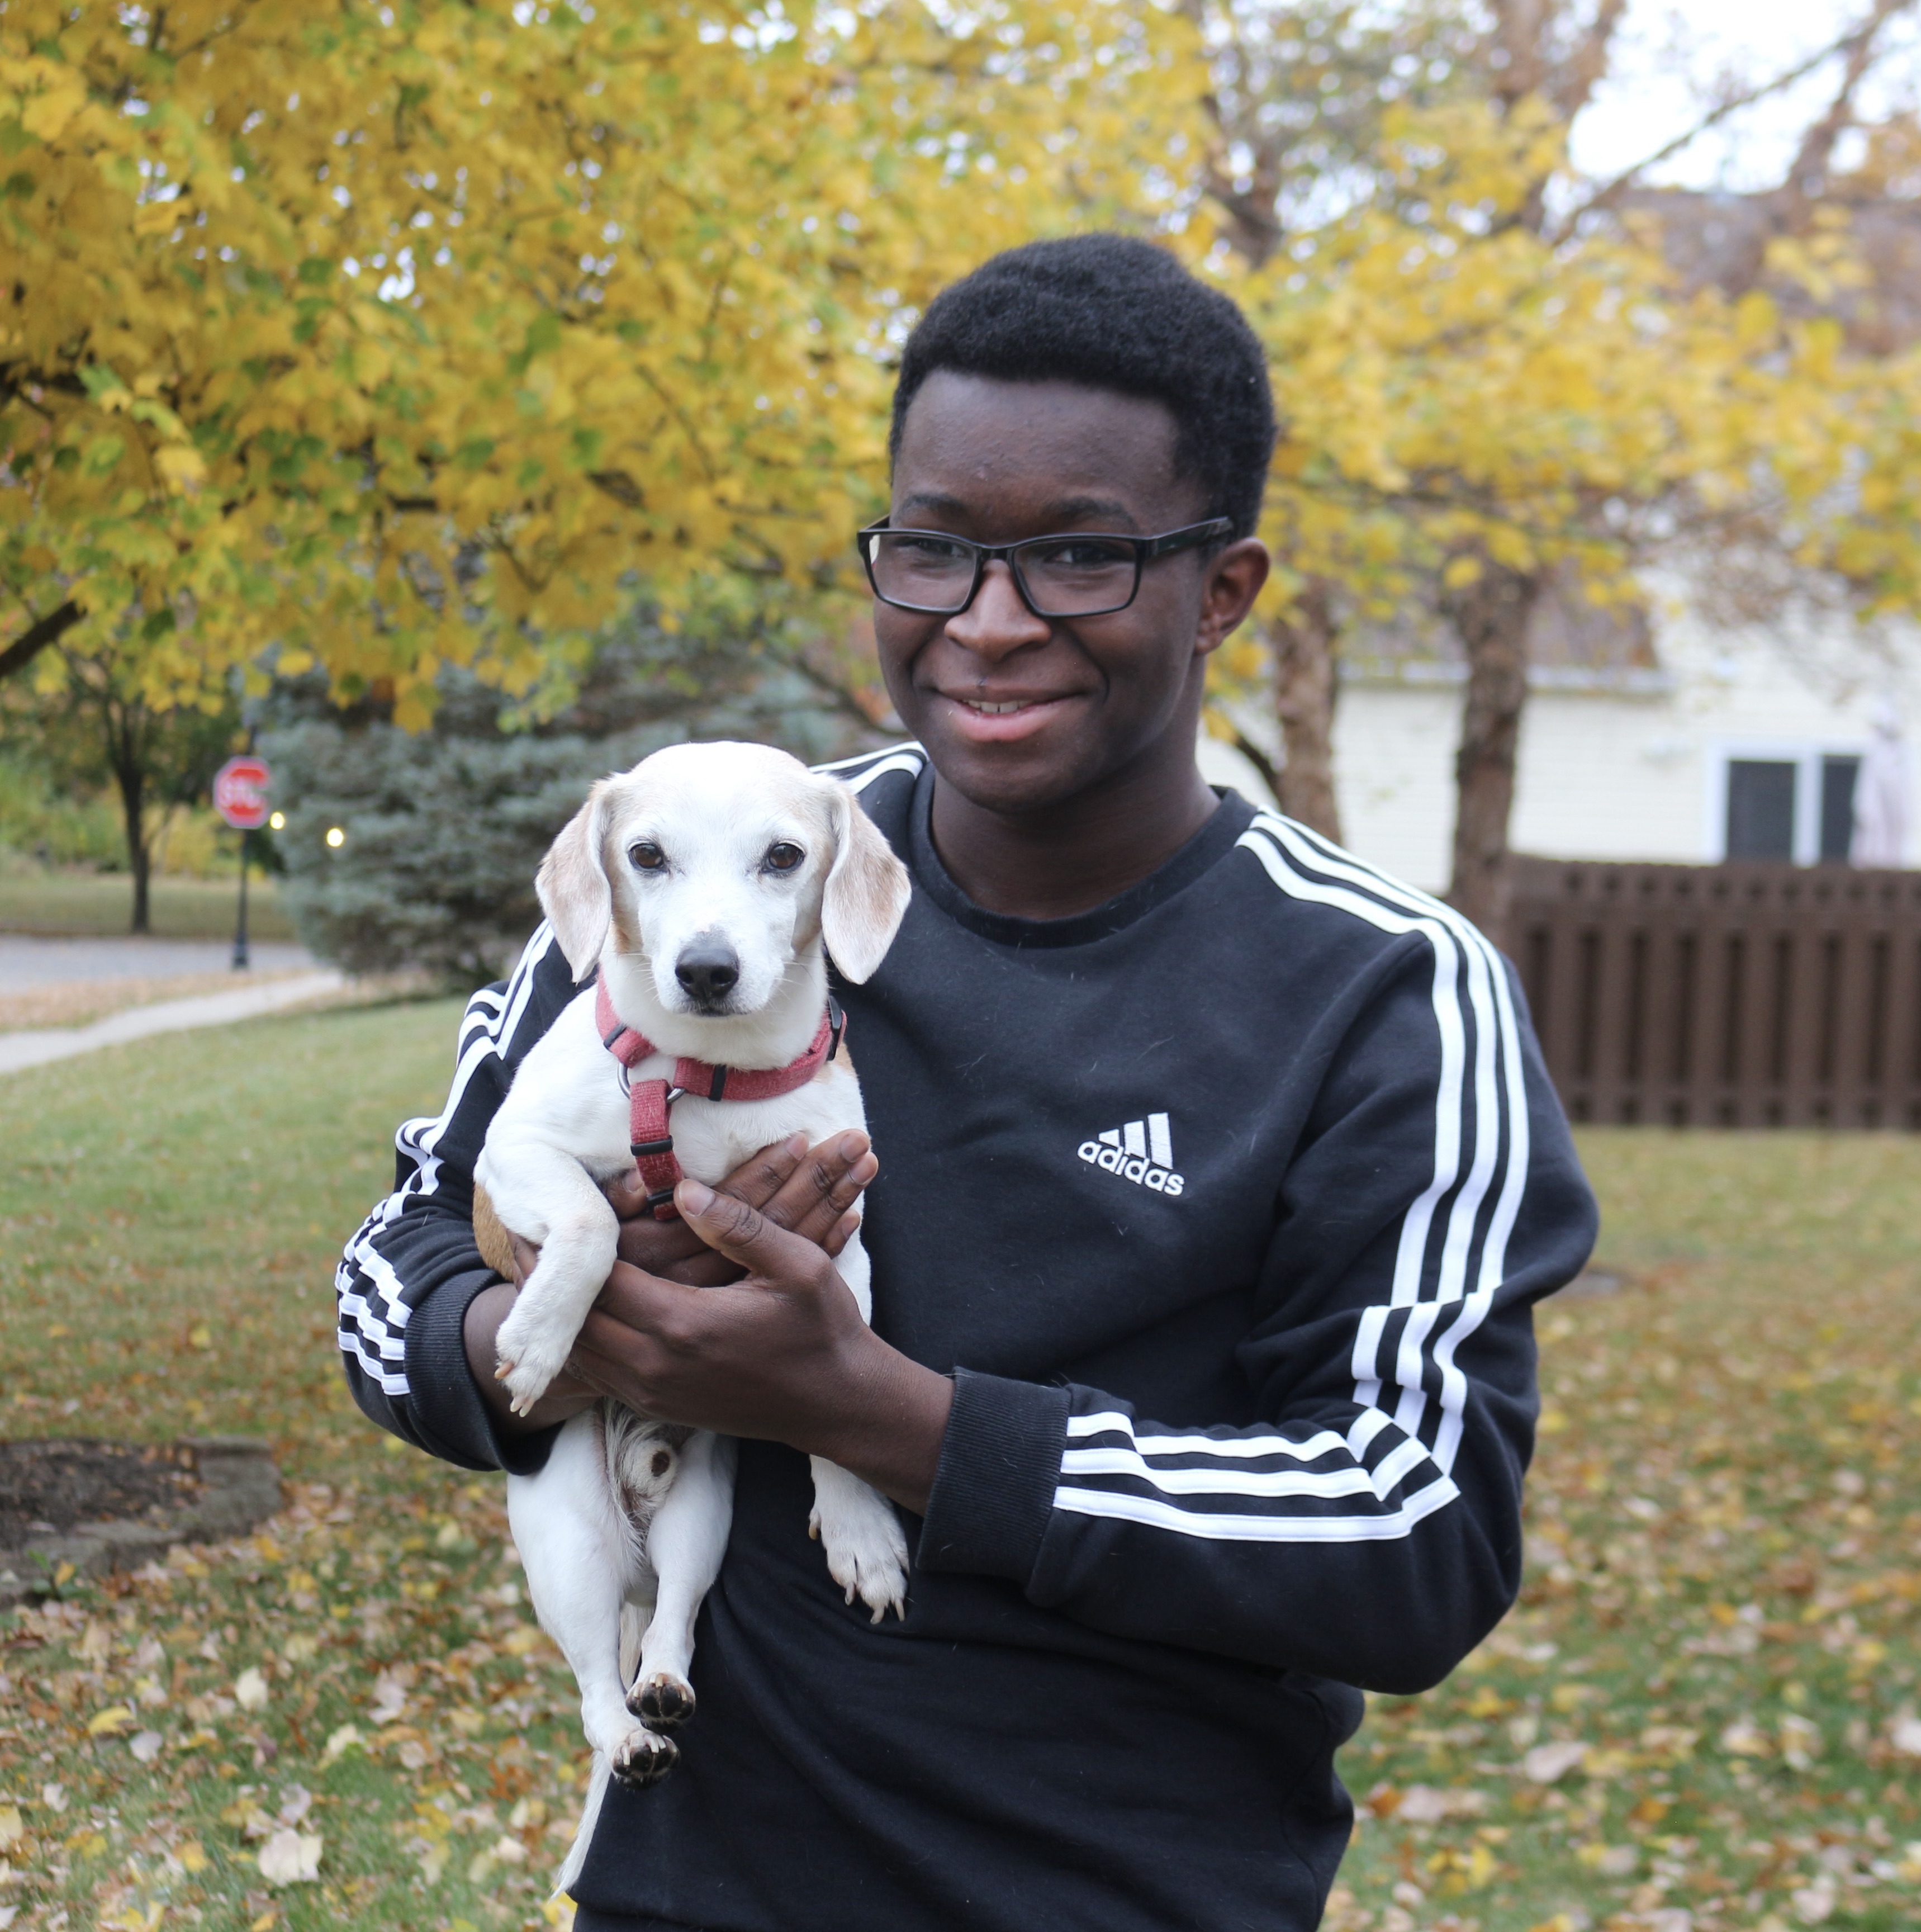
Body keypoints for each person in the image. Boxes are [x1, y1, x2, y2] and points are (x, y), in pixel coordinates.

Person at [336, 233, 1598, 1932]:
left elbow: (1417, 1534)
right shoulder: (715, 861)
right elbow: (387, 1271)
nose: (988, 626)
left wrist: (872, 1410)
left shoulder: (1381, 991)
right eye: (934, 550)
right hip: (696, 1880)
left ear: (1223, 589)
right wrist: (554, 1332)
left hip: (1130, 1893)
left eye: (1080, 556)